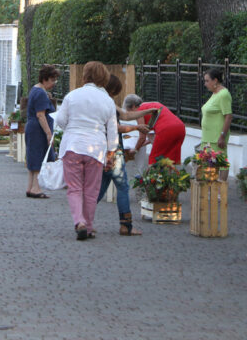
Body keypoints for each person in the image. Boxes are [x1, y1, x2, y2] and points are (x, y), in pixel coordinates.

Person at [56, 61, 119, 241]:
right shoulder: (108, 100)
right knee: (91, 190)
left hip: (72, 146)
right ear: (104, 77)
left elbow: (60, 120)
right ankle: (89, 226)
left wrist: (73, 127)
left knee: (74, 188)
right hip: (95, 149)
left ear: (84, 76)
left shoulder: (72, 95)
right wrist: (111, 152)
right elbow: (112, 131)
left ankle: (79, 222)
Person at [97, 75, 154, 236]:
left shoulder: (100, 102)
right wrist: (137, 129)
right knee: (122, 187)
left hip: (102, 150)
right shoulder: (108, 103)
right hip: (114, 150)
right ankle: (126, 225)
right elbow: (117, 127)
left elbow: (126, 116)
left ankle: (83, 220)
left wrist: (147, 111)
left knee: (100, 189)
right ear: (114, 90)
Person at [25, 65, 60, 199]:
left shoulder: (36, 89)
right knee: (39, 156)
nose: (54, 83)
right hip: (37, 129)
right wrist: (48, 133)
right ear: (45, 79)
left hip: (32, 127)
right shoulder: (40, 93)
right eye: (53, 80)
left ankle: (31, 186)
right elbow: (41, 115)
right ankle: (36, 187)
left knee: (33, 156)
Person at [124, 94, 186, 165]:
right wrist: (140, 145)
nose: (131, 115)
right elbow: (152, 137)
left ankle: (154, 176)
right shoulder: (153, 104)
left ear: (133, 106)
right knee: (172, 158)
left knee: (154, 160)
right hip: (180, 128)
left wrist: (135, 150)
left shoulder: (139, 112)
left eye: (129, 112)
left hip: (166, 130)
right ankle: (172, 176)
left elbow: (142, 138)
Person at [200, 68, 233, 157]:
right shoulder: (215, 93)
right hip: (208, 137)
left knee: (220, 164)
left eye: (207, 81)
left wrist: (222, 136)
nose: (205, 84)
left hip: (217, 138)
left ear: (215, 80)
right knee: (207, 165)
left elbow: (228, 116)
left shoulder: (223, 95)